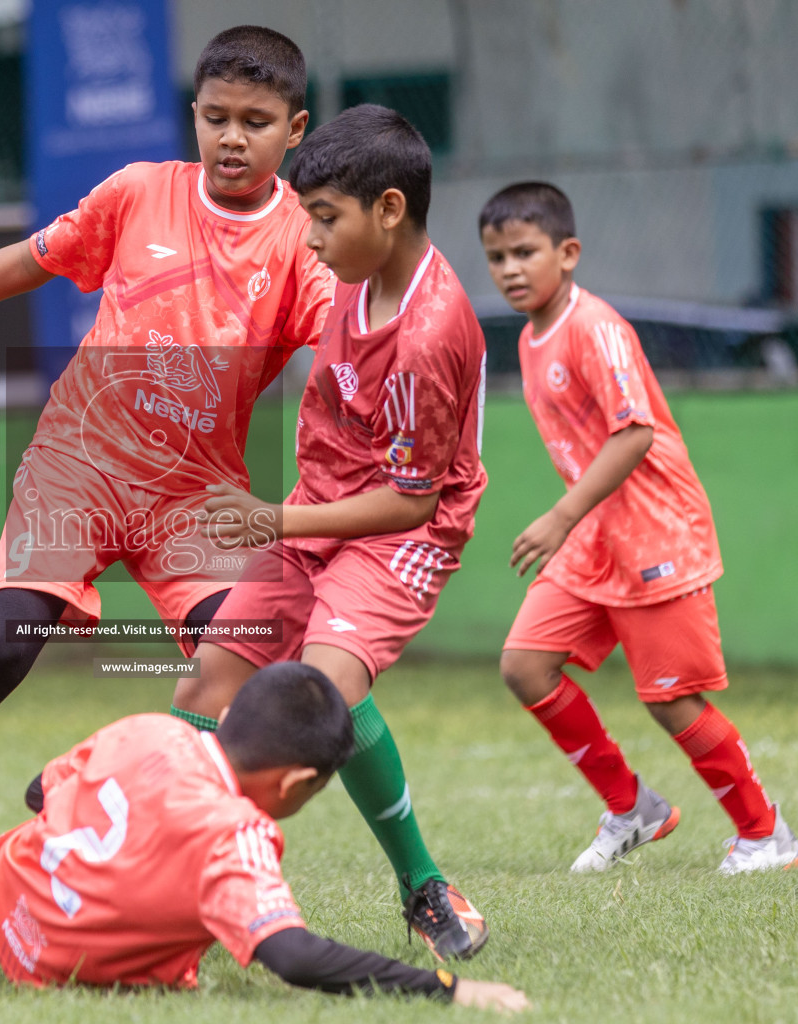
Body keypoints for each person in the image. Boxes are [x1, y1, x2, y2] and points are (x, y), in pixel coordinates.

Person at [0, 26, 338, 958]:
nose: (232, 138)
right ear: (195, 115)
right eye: (216, 116)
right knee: (4, 639)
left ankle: (52, 830)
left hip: (196, 499)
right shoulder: (139, 193)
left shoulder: (304, 242)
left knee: (249, 676)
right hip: (79, 462)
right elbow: (25, 261)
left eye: (256, 122)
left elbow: (347, 357)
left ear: (295, 132)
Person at [169, 105, 491, 961]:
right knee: (207, 683)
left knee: (326, 691)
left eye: (322, 218)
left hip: (398, 532)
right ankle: (173, 875)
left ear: (389, 210)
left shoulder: (430, 335)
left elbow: (409, 505)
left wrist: (275, 518)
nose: (308, 238)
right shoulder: (353, 268)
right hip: (320, 505)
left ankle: (423, 886)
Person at [477, 181, 798, 875]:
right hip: (598, 537)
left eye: (524, 252)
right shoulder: (535, 338)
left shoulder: (595, 327)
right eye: (496, 257)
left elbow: (633, 435)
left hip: (656, 532)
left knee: (672, 701)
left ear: (567, 254)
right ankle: (633, 808)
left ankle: (766, 836)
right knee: (526, 665)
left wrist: (561, 516)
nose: (509, 269)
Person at [0, 662, 528, 1011]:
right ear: (298, 784)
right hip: (59, 967)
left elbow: (40, 794)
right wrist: (449, 988)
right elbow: (293, 955)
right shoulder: (239, 834)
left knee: (59, 818)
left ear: (228, 716)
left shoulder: (147, 729)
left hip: (10, 907)